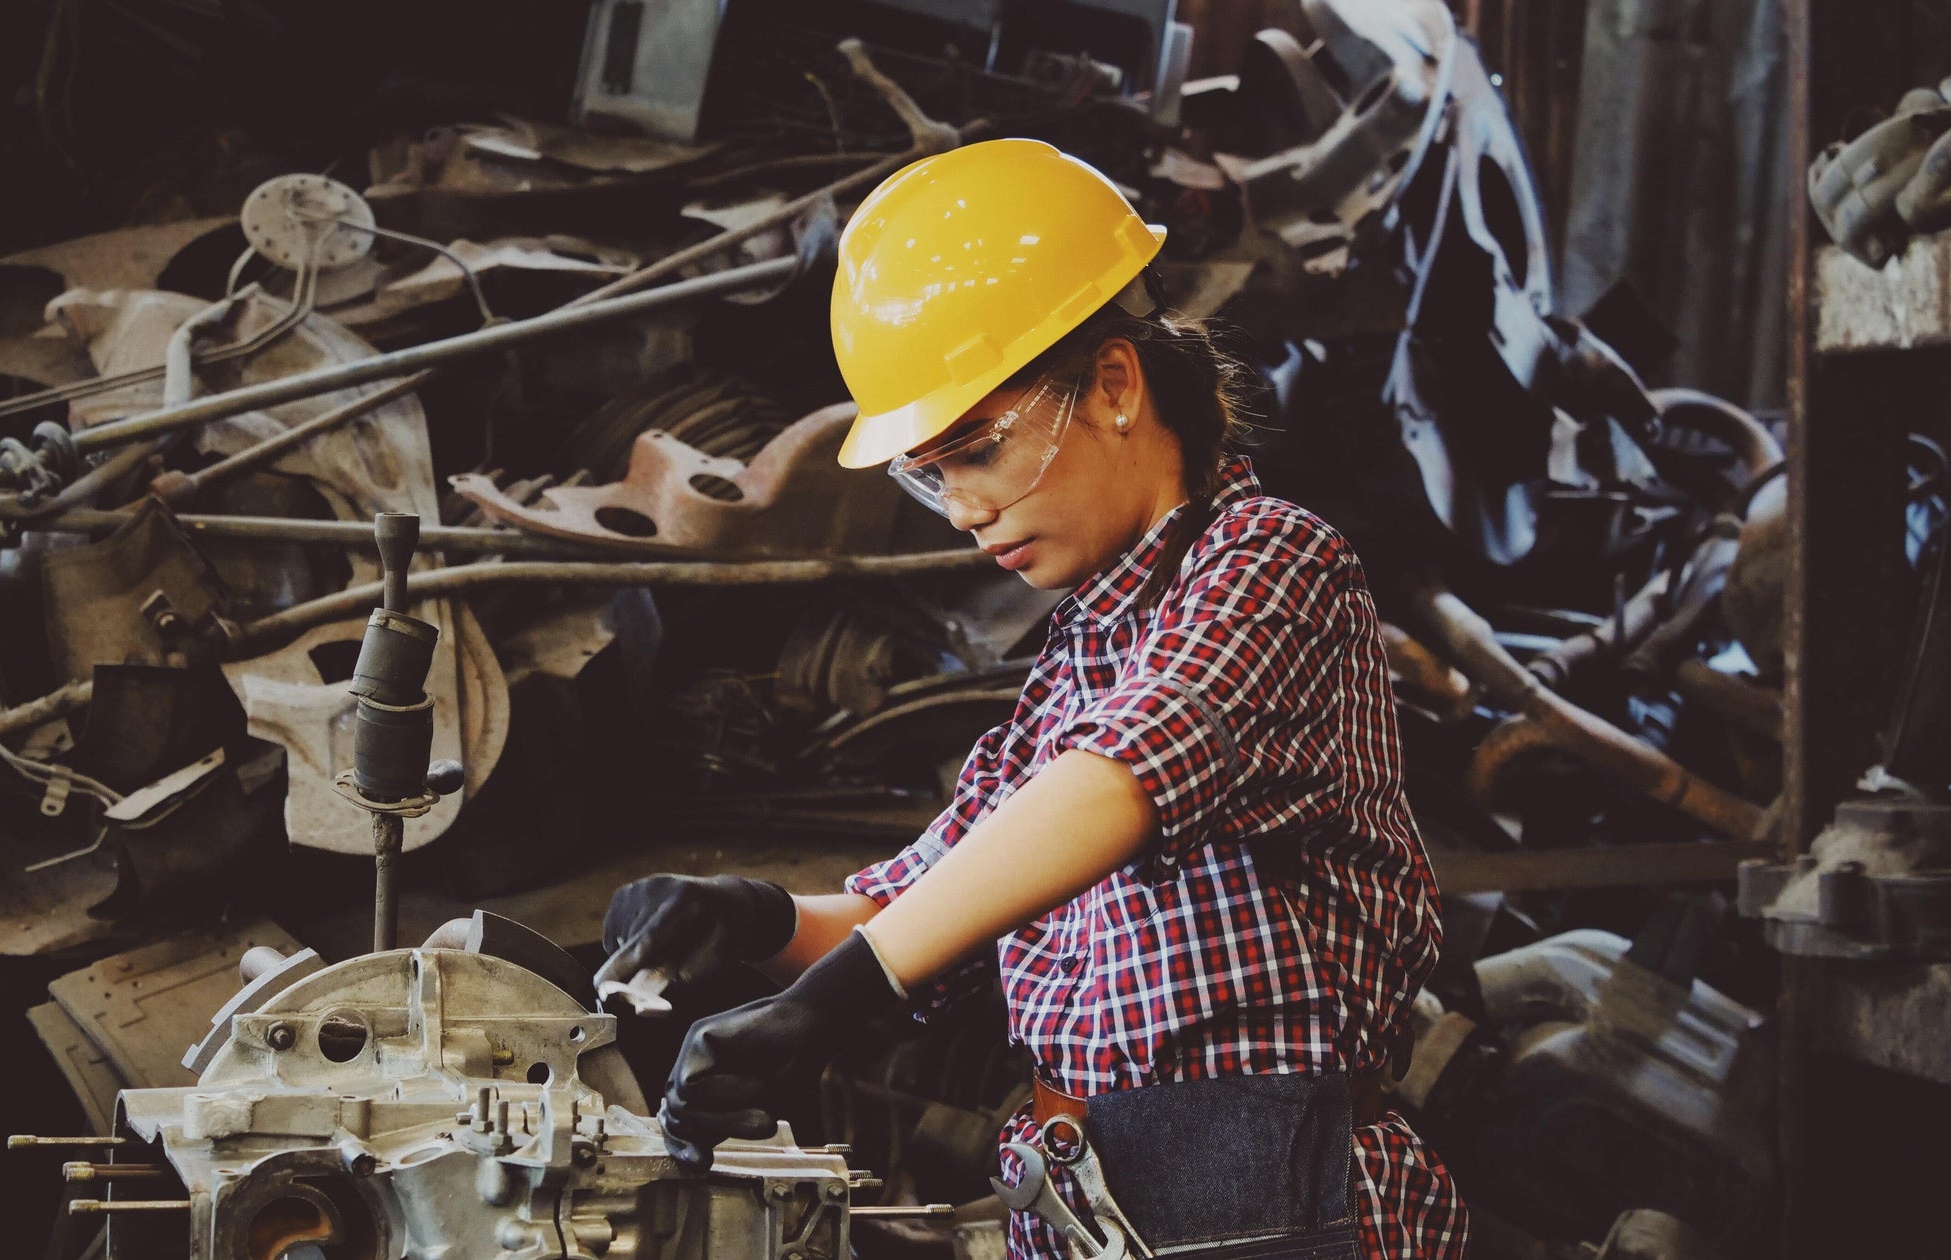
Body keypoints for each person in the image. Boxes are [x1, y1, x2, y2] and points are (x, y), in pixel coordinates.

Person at [594, 138, 1466, 1260]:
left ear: (1113, 384)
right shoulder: (1079, 658)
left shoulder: (1271, 563)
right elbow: (921, 912)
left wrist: (828, 1006)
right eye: (930, 472)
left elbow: (1121, 782)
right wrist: (751, 917)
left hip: (1269, 1201)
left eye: (979, 449)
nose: (959, 508)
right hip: (1089, 1198)